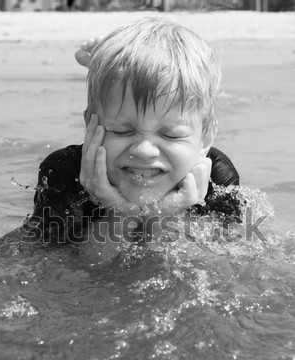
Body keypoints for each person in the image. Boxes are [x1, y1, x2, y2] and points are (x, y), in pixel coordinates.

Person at [22, 17, 240, 246]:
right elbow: (70, 272)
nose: (145, 151)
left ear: (205, 138)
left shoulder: (218, 180)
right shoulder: (64, 174)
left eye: (170, 135)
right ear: (90, 125)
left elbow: (219, 269)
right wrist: (120, 214)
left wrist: (164, 216)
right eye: (121, 130)